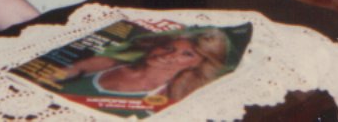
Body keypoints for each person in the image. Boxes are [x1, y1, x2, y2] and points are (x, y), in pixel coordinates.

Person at [54, 29, 232, 101]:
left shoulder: (176, 97)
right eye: (168, 47)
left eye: (187, 54)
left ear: (197, 64)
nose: (169, 55)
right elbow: (48, 78)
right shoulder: (106, 64)